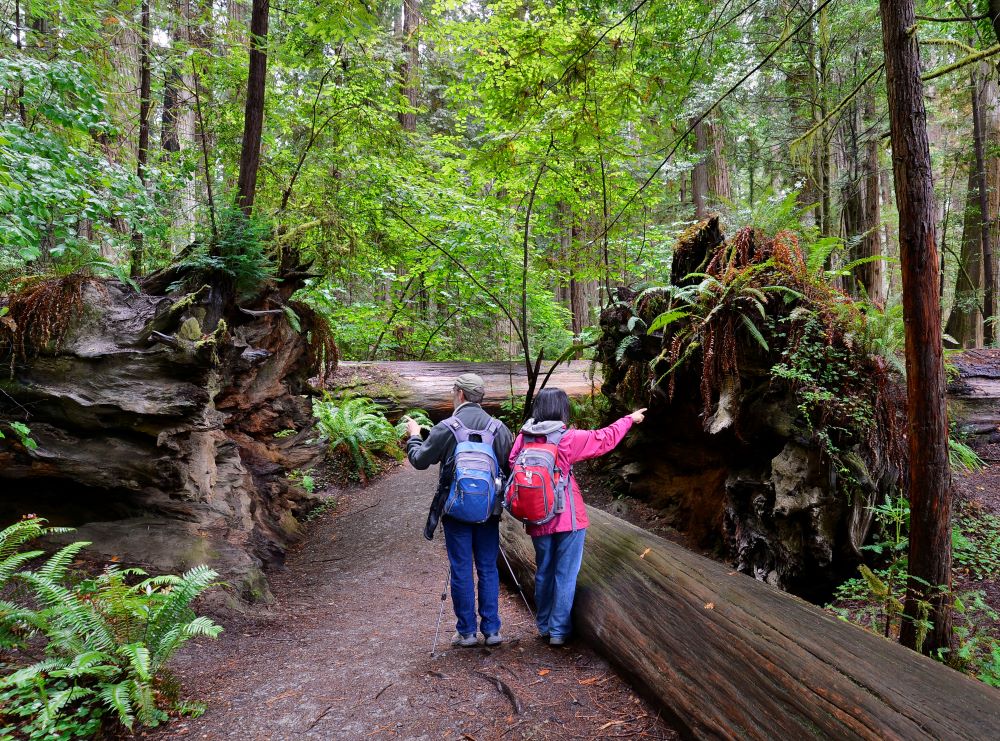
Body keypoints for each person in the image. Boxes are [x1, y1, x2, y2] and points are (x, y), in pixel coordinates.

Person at [509, 388, 645, 646]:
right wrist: (629, 419)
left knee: (544, 571)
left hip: (538, 515)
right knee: (565, 573)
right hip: (569, 517)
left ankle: (544, 626)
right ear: (561, 409)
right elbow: (603, 438)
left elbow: (513, 463)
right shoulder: (567, 438)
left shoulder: (524, 437)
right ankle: (559, 631)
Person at [404, 373, 513, 648]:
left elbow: (419, 461)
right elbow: (509, 468)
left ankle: (466, 632)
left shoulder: (446, 427)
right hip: (489, 512)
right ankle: (492, 630)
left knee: (461, 567)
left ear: (460, 394)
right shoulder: (498, 428)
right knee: (488, 566)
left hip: (455, 511)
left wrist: (415, 437)